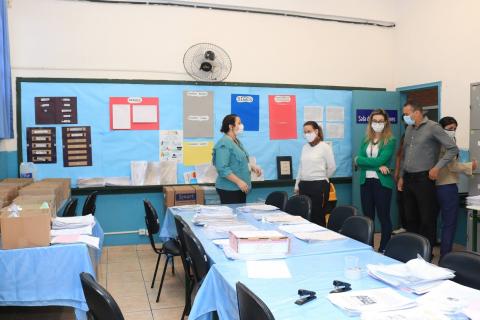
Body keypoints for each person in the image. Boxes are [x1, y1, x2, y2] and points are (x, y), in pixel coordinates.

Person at [398, 101, 458, 247]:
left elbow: (452, 149)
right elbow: (404, 154)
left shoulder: (433, 127)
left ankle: (426, 254)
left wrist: (437, 167)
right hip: (408, 178)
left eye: (406, 114)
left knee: (426, 219)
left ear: (417, 112)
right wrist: (401, 176)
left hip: (424, 179)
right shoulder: (409, 129)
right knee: (410, 218)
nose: (404, 117)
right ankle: (412, 250)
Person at [355, 109, 396, 252]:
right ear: (370, 122)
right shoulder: (365, 139)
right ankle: (369, 246)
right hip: (365, 182)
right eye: (375, 121)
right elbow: (358, 160)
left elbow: (381, 159)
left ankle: (384, 247)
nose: (377, 123)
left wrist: (364, 161)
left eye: (380, 121)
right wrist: (378, 165)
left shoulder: (390, 140)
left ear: (385, 122)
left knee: (383, 216)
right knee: (368, 217)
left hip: (382, 183)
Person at [437, 116, 477, 257]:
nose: (452, 131)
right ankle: (446, 256)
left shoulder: (440, 141)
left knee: (441, 223)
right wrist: (469, 166)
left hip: (437, 186)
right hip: (446, 186)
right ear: (441, 128)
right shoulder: (445, 143)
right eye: (449, 129)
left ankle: (438, 254)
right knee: (449, 224)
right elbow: (452, 166)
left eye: (454, 129)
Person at [213, 114, 261, 204]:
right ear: (231, 126)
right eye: (239, 123)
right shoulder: (224, 143)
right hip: (229, 189)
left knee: (241, 216)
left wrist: (252, 166)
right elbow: (222, 168)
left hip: (240, 188)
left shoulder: (236, 141)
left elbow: (238, 161)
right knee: (233, 216)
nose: (241, 125)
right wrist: (239, 182)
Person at [294, 121, 336, 226]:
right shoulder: (305, 147)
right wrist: (297, 184)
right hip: (304, 185)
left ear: (316, 131)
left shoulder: (325, 147)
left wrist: (323, 177)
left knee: (317, 216)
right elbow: (301, 167)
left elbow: (332, 167)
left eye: (309, 131)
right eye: (304, 132)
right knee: (304, 217)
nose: (307, 134)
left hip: (319, 186)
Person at [393, 133, 407, 234]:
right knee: (401, 202)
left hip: (408, 179)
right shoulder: (401, 150)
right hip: (400, 179)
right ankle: (404, 226)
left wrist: (402, 177)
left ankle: (409, 227)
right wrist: (397, 173)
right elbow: (399, 162)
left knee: (408, 205)